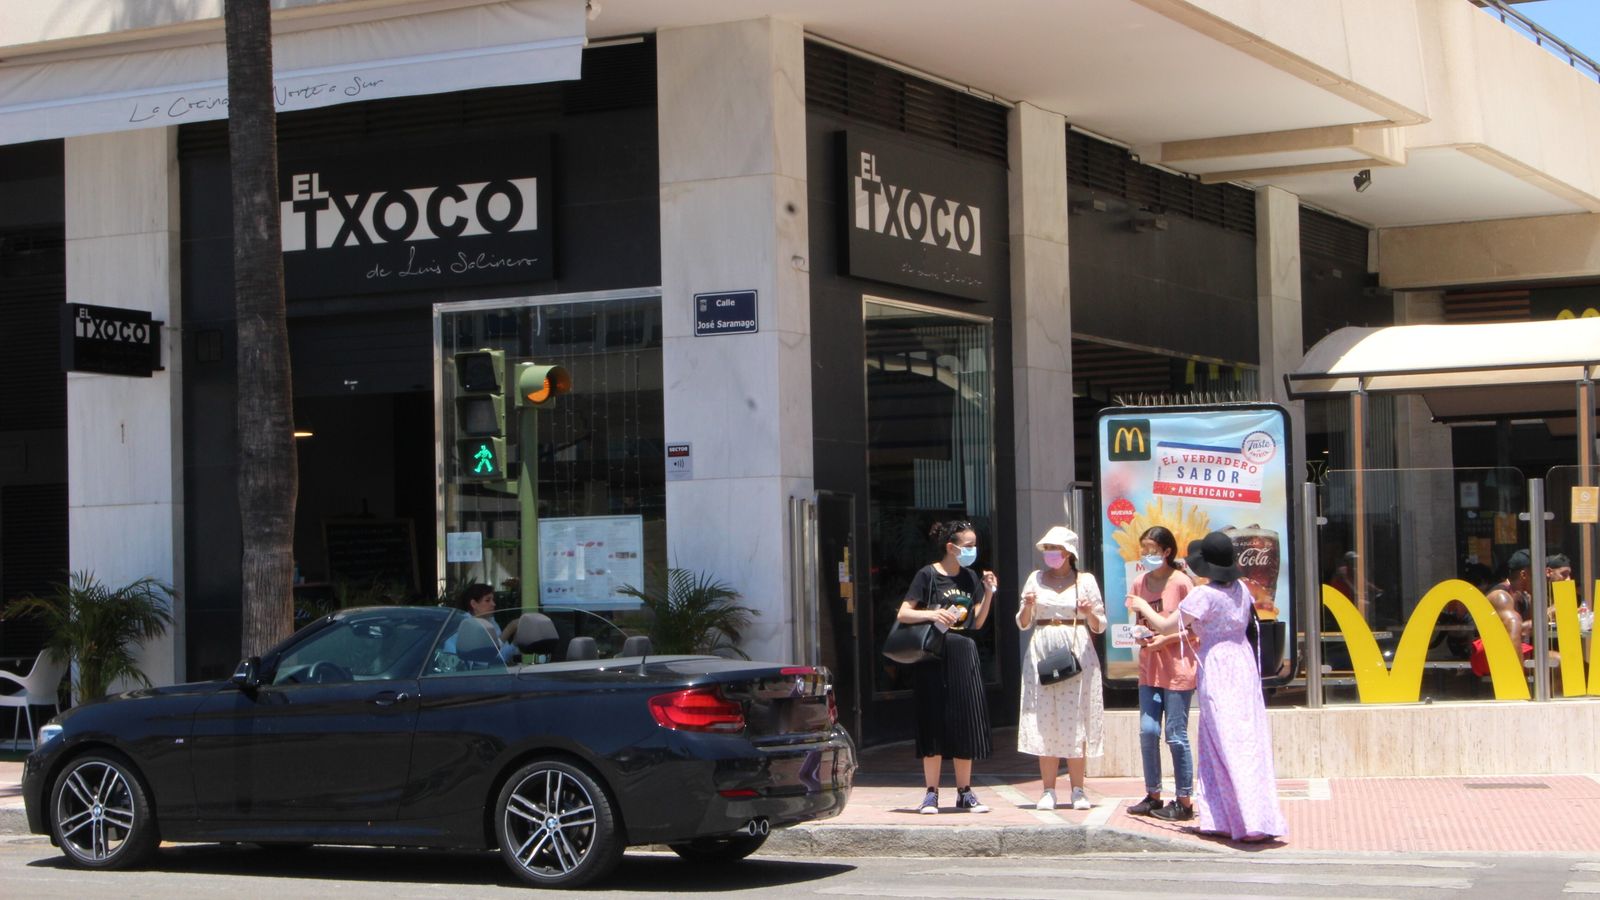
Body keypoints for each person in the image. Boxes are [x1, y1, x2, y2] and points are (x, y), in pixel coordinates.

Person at [1126, 531, 1287, 842]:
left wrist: (1141, 607)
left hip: (1216, 665)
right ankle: (1249, 816)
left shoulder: (1205, 595)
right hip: (1243, 663)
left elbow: (1165, 625)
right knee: (1247, 740)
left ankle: (1237, 819)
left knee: (1221, 741)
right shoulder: (1241, 588)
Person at [899, 519, 998, 814]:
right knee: (932, 720)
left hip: (963, 651)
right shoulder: (928, 575)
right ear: (951, 547)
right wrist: (933, 614)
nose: (973, 550)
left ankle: (965, 791)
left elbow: (977, 622)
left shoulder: (970, 578)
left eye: (974, 545)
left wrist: (989, 592)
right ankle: (931, 792)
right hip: (933, 654)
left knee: (964, 721)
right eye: (968, 545)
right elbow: (904, 613)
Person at [1016, 526, 1106, 812]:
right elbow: (1023, 621)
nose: (1050, 554)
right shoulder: (1035, 579)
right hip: (1042, 648)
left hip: (1076, 650)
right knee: (1046, 719)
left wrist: (1088, 611)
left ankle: (1078, 789)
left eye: (1055, 549)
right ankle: (1048, 790)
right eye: (1047, 549)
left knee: (1076, 718)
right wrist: (1028, 606)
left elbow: (1100, 624)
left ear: (1069, 553)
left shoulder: (1086, 580)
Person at [1124, 525, 1196, 821]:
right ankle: (1153, 794)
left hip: (1177, 668)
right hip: (1149, 668)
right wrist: (1141, 637)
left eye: (1153, 550)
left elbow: (1193, 630)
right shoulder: (1140, 582)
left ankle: (1184, 800)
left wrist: (1165, 640)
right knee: (1148, 731)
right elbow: (1139, 621)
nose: (1148, 555)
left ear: (1167, 551)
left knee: (1175, 735)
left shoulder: (1182, 583)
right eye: (1144, 550)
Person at [446, 583, 519, 665]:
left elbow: (502, 656)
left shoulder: (491, 622)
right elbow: (485, 658)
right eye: (487, 600)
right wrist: (509, 630)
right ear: (474, 604)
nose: (493, 604)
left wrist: (516, 641)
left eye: (493, 600)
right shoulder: (464, 625)